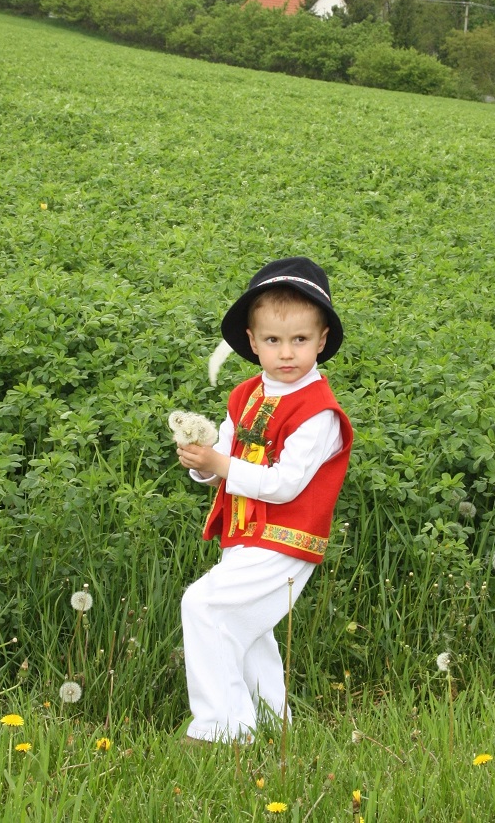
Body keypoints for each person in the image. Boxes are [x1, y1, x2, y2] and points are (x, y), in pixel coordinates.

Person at [176, 256, 353, 744]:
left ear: (322, 341)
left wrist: (220, 465)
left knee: (204, 606)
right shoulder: (245, 394)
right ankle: (274, 726)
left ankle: (221, 730)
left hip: (286, 540)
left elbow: (284, 484)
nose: (287, 352)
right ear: (252, 343)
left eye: (300, 339)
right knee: (248, 631)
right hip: (246, 535)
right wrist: (202, 466)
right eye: (273, 340)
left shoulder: (319, 411)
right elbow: (228, 464)